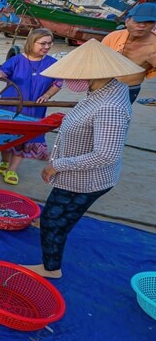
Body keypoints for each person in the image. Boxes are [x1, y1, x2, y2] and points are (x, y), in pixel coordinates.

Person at [22, 40, 143, 279]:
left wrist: (57, 165)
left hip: (84, 179)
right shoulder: (104, 90)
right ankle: (60, 230)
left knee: (52, 221)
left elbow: (106, 154)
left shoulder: (110, 106)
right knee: (60, 216)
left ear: (94, 73)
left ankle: (50, 268)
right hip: (76, 170)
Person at [0, 28, 62, 185]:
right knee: (7, 136)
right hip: (11, 107)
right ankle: (5, 162)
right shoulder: (17, 60)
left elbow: (58, 82)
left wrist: (47, 95)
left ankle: (12, 170)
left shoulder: (52, 63)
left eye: (50, 43)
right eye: (43, 43)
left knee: (27, 138)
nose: (47, 47)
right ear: (32, 42)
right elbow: (3, 71)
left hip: (34, 108)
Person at [101, 2, 156, 104]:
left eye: (148, 22)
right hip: (101, 86)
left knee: (117, 118)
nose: (142, 25)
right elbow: (96, 60)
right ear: (127, 21)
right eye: (137, 21)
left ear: (154, 25)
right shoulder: (113, 37)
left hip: (129, 89)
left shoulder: (154, 45)